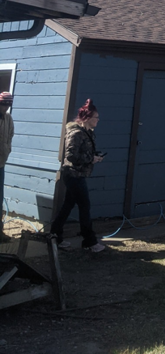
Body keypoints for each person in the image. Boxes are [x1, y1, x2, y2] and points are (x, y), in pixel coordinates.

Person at [50, 99, 105, 253]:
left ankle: (55, 235)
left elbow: (84, 153)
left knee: (68, 205)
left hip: (80, 173)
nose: (98, 120)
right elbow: (71, 156)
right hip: (72, 174)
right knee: (85, 206)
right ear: (87, 118)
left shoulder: (88, 133)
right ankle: (89, 241)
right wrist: (90, 159)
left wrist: (95, 156)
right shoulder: (76, 133)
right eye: (96, 118)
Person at [0, 92, 14, 243]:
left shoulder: (9, 118)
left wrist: (7, 149)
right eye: (3, 104)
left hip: (1, 163)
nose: (5, 107)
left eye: (8, 105)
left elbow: (10, 136)